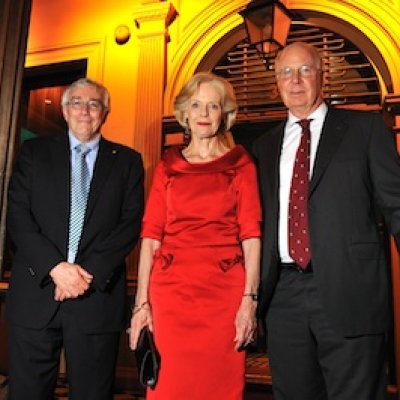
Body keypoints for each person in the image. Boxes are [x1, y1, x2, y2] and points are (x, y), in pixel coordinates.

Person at [252, 41, 400, 400]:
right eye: (286, 72)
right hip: (283, 298)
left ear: (321, 76)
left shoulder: (364, 129)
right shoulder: (263, 147)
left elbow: (397, 204)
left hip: (351, 290)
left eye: (305, 70)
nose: (296, 80)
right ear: (276, 82)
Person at [6, 78, 144, 400]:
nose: (85, 110)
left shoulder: (127, 161)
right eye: (77, 103)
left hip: (95, 297)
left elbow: (129, 224)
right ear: (65, 111)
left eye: (94, 104)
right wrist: (55, 267)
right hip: (36, 295)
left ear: (105, 113)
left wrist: (84, 275)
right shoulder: (34, 152)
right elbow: (18, 215)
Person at [129, 72, 261, 399]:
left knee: (220, 387)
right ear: (184, 113)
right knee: (169, 387)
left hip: (223, 296)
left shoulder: (240, 163)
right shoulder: (168, 166)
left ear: (224, 114)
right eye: (196, 105)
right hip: (170, 296)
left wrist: (249, 300)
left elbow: (252, 235)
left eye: (212, 106)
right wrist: (141, 304)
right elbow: (150, 237)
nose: (203, 114)